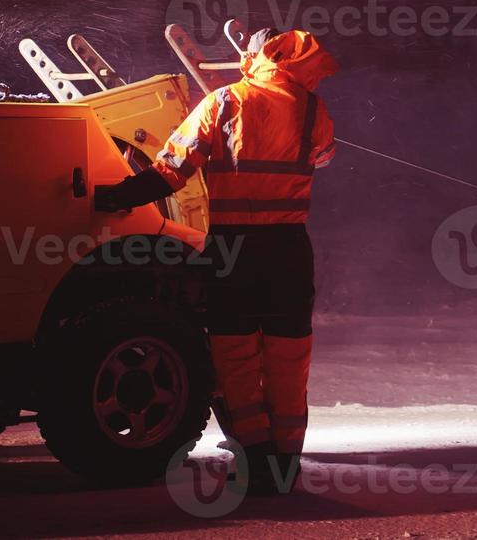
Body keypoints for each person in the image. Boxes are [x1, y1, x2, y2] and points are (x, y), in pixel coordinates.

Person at [94, 28, 338, 494]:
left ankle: (257, 460)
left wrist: (114, 198)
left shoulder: (225, 101)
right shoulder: (313, 108)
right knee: (289, 355)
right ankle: (286, 463)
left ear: (255, 56)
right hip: (289, 249)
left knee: (236, 353)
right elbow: (323, 155)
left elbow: (169, 171)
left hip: (235, 249)